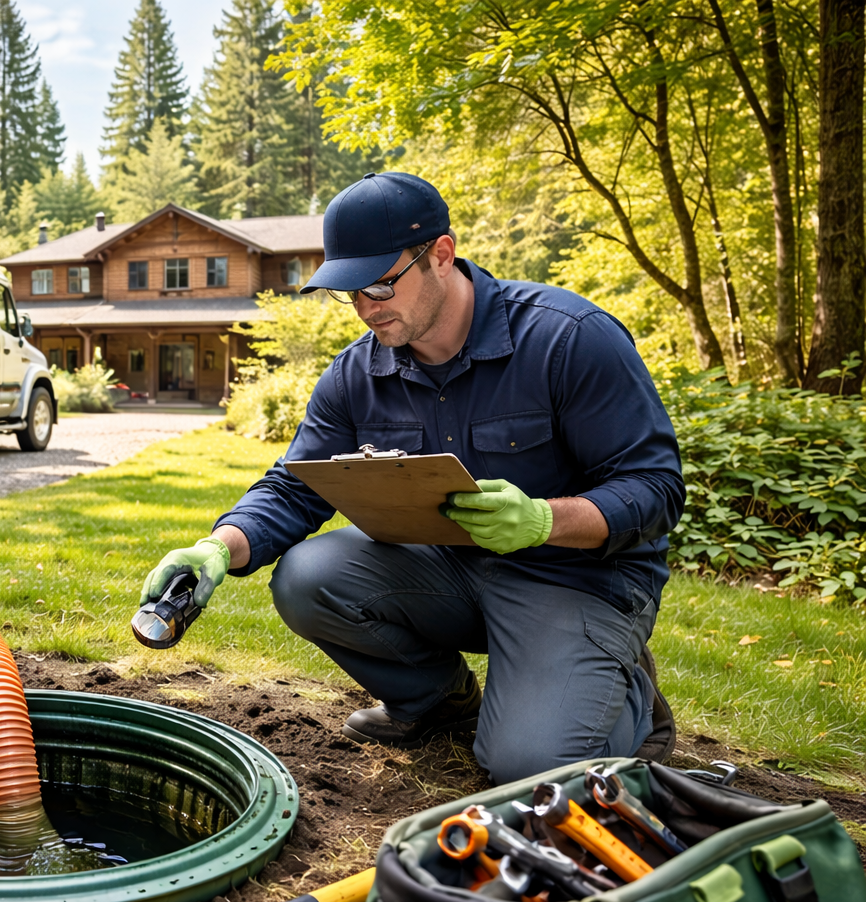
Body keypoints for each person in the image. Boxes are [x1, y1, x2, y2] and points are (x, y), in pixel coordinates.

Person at [141, 172, 684, 783]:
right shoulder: (356, 374)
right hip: (450, 571)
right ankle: (437, 704)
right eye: (349, 291)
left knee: (528, 766)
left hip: (575, 579)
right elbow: (297, 485)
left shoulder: (568, 339)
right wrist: (219, 546)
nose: (367, 308)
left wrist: (542, 520)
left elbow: (654, 487)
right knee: (307, 576)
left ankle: (626, 688)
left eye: (380, 284)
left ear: (442, 255)